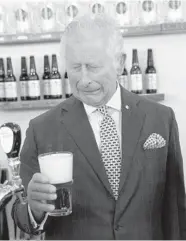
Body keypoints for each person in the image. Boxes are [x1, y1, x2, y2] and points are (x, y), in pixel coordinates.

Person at [12, 13, 186, 240]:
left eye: (93, 67)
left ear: (120, 63)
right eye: (75, 68)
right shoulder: (41, 130)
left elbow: (175, 210)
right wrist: (34, 209)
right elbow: (22, 217)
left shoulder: (160, 119)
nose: (84, 80)